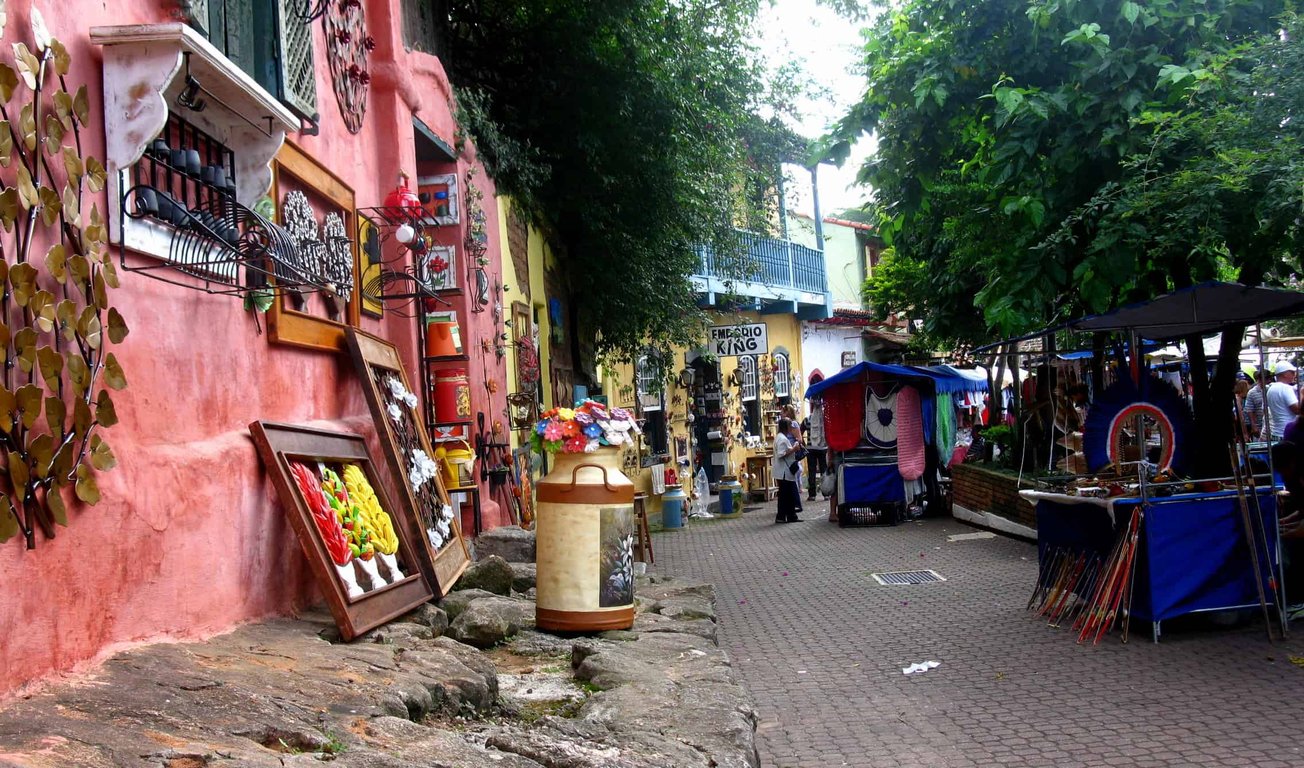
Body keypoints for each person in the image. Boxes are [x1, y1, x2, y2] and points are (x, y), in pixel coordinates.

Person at [772, 417, 802, 523]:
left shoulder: (781, 437)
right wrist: (793, 449)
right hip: (784, 471)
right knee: (784, 495)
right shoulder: (782, 439)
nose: (791, 428)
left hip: (784, 471)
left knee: (788, 495)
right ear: (786, 427)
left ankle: (790, 515)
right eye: (790, 426)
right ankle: (781, 516)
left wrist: (792, 448)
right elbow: (781, 454)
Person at [1265, 361, 1300, 441]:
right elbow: (1297, 410)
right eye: (1292, 372)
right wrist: (1301, 393)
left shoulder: (1271, 389)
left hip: (1276, 432)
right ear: (1285, 374)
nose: (1294, 375)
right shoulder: (1285, 388)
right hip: (1287, 434)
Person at [801, 402, 828, 501]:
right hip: (822, 448)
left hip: (810, 448)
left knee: (812, 471)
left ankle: (812, 494)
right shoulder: (824, 419)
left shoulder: (807, 419)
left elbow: (800, 431)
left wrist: (804, 444)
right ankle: (826, 493)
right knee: (823, 470)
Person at [1245, 368, 1267, 439]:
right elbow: (1249, 410)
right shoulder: (1252, 392)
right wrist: (1254, 426)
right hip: (1259, 425)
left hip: (1271, 425)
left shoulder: (1270, 389)